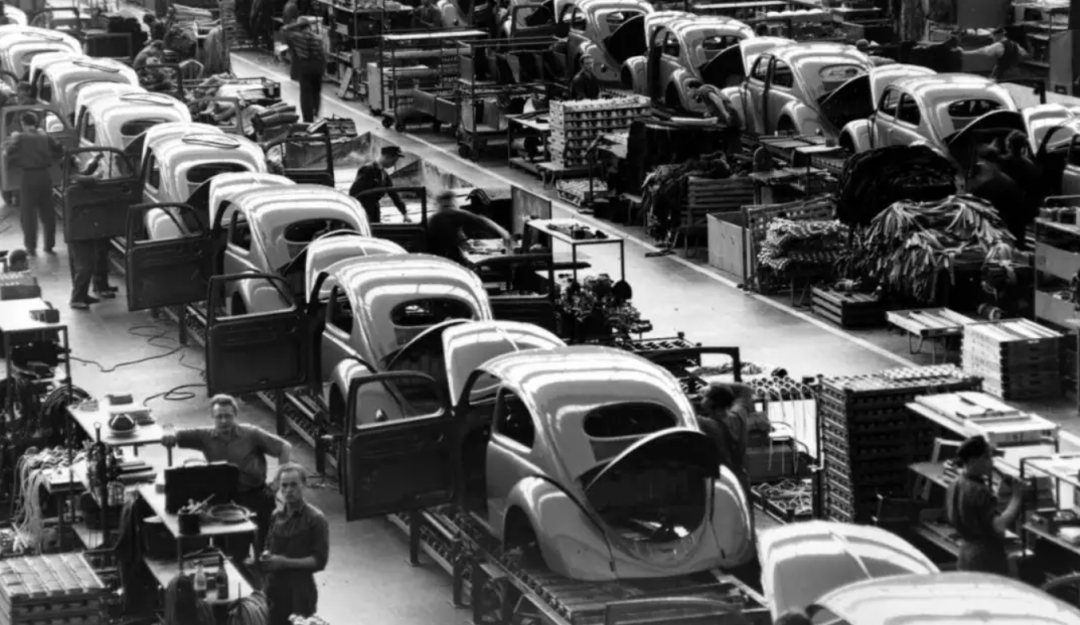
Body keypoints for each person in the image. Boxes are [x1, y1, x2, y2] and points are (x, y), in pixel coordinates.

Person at [162, 394, 293, 559]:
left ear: (235, 415)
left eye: (228, 416)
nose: (224, 421)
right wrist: (168, 433)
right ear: (212, 416)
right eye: (219, 417)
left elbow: (285, 447)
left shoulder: (251, 434)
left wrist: (278, 483)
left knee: (267, 548)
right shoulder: (204, 436)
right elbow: (174, 432)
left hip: (256, 496)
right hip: (225, 501)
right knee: (229, 553)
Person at [260, 463, 329, 625]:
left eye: (294, 485)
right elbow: (268, 547)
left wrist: (284, 562)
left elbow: (319, 561)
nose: (288, 490)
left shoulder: (315, 519)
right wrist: (264, 560)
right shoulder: (276, 515)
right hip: (275, 591)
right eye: (284, 485)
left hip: (300, 594)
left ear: (303, 485)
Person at [945, 435, 1023, 576]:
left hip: (965, 555)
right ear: (973, 461)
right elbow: (999, 526)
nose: (991, 463)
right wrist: (1017, 497)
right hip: (985, 558)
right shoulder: (979, 491)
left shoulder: (955, 484)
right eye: (986, 458)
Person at [2, 112, 63, 258]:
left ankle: (31, 247)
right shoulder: (45, 136)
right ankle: (49, 245)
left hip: (28, 177)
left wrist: (12, 142)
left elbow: (7, 153)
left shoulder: (20, 138)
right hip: (45, 176)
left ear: (23, 123)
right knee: (48, 212)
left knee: (28, 214)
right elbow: (59, 150)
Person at [68, 152, 122, 307]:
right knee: (84, 266)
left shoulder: (73, 176)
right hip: (78, 231)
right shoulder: (72, 179)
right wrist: (96, 177)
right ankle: (77, 299)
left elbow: (84, 174)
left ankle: (83, 295)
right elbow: (85, 178)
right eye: (76, 162)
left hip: (83, 228)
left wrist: (95, 161)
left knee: (88, 263)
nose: (79, 163)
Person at [425, 190, 514, 267]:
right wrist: (504, 233)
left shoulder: (434, 218)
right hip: (449, 262)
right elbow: (481, 221)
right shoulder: (445, 216)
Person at [698, 381, 756, 498]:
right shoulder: (738, 414)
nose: (702, 398)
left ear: (716, 407)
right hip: (741, 481)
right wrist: (715, 386)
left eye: (706, 396)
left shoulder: (707, 425)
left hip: (726, 485)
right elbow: (746, 389)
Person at [349, 146, 410, 224]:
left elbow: (393, 194)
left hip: (374, 210)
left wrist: (404, 213)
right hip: (363, 211)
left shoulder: (384, 174)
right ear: (387, 157)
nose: (394, 164)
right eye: (394, 161)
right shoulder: (368, 170)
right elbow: (354, 192)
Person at [283, 17, 326, 123]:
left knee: (306, 94)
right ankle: (316, 112)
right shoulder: (317, 38)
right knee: (316, 91)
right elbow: (323, 54)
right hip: (318, 67)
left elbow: (284, 30)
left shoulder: (298, 37)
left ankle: (308, 119)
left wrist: (295, 25)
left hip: (306, 66)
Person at [956, 26, 1029, 81]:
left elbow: (983, 51)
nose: (992, 38)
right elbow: (1025, 54)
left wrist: (965, 53)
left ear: (999, 35)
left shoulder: (999, 45)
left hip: (1001, 75)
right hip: (1014, 74)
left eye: (993, 36)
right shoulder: (1014, 44)